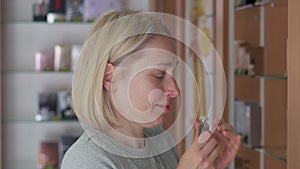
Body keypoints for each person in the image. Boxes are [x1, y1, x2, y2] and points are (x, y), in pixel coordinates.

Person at [62, 9, 241, 169]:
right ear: (109, 76)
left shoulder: (159, 140)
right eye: (158, 75)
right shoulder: (87, 160)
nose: (175, 90)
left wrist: (211, 163)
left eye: (173, 74)